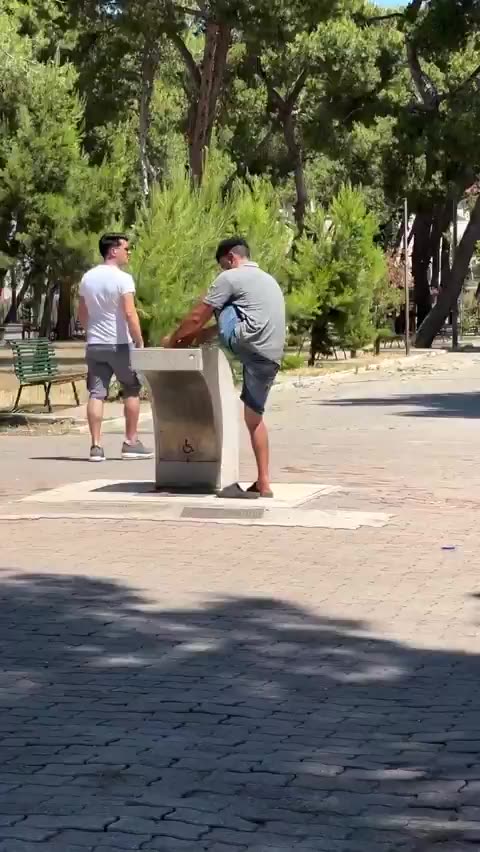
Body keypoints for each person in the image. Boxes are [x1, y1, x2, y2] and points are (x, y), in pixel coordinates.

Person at [162, 237, 285, 498]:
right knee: (254, 419)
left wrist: (174, 342)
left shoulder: (230, 278)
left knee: (217, 299)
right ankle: (264, 482)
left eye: (223, 266)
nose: (222, 272)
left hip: (245, 342)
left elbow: (198, 315)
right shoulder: (268, 280)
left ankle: (184, 340)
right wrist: (203, 334)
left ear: (231, 258)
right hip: (269, 358)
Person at [78, 233, 153, 463]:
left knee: (96, 393)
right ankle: (130, 442)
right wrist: (138, 340)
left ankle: (96, 446)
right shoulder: (123, 279)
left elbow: (81, 313)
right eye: (126, 249)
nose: (128, 253)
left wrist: (89, 332)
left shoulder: (87, 278)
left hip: (95, 344)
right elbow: (130, 313)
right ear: (113, 251)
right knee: (131, 388)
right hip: (120, 344)